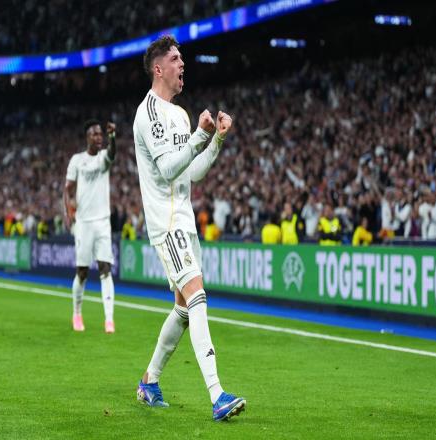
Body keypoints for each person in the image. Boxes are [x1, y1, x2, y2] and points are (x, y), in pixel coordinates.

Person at [133, 35, 245, 421]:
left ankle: (149, 381)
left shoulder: (180, 114)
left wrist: (215, 141)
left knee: (183, 308)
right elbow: (166, 169)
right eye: (176, 59)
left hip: (185, 218)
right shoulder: (148, 113)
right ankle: (217, 394)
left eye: (182, 59)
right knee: (197, 294)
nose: (183, 64)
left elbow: (190, 172)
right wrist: (199, 136)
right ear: (158, 68)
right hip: (166, 223)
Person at [64, 119, 117, 334]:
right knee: (82, 272)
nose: (98, 137)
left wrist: (113, 137)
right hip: (84, 223)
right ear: (87, 137)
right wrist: (68, 212)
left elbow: (112, 153)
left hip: (103, 221)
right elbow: (68, 189)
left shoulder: (104, 157)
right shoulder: (77, 160)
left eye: (100, 134)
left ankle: (109, 319)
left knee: (105, 269)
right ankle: (77, 313)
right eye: (94, 134)